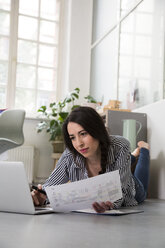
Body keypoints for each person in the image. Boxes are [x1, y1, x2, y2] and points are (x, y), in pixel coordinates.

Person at [32, 106, 150, 213]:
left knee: (142, 187)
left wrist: (109, 204)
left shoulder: (120, 145)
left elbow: (118, 194)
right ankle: (133, 155)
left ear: (97, 130)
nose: (79, 144)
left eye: (83, 134)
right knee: (128, 159)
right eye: (72, 137)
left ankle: (144, 149)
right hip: (119, 163)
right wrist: (41, 196)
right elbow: (50, 188)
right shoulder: (70, 155)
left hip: (131, 187)